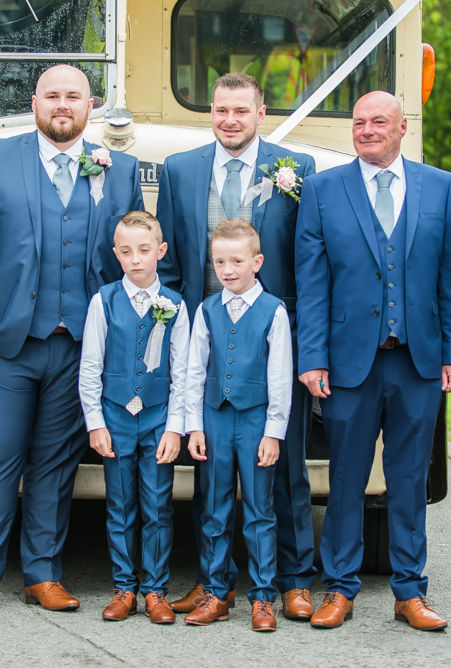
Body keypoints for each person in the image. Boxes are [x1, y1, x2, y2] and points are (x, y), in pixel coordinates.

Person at [0, 65, 143, 613]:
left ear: (90, 106)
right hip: (2, 343)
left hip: (79, 346)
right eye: (52, 95)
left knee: (55, 463)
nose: (62, 105)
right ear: (34, 102)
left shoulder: (119, 170)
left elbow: (132, 256)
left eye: (73, 97)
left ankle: (42, 575)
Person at [295, 91, 451, 630]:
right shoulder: (323, 190)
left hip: (417, 360)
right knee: (345, 479)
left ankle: (409, 591)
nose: (367, 130)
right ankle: (340, 589)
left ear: (401, 128)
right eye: (359, 122)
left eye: (378, 122)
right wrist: (313, 357)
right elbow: (312, 282)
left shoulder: (438, 186)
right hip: (348, 363)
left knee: (409, 478)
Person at [157, 72, 318, 620]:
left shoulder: (294, 170)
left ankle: (292, 580)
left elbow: (306, 258)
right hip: (204, 335)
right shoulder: (180, 170)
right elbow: (174, 258)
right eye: (221, 109)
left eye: (241, 110)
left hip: (272, 335)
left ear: (261, 112)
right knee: (212, 472)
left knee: (286, 468)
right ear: (211, 112)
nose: (230, 119)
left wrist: (303, 339)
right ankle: (212, 583)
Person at [78, 211, 190, 625]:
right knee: (120, 505)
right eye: (126, 252)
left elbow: (183, 371)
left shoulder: (175, 304)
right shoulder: (103, 301)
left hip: (159, 417)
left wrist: (176, 427)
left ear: (159, 251)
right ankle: (124, 587)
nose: (135, 259)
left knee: (158, 505)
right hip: (116, 416)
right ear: (116, 254)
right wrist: (95, 422)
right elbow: (90, 366)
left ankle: (156, 589)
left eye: (144, 250)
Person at [183, 219, 292, 632]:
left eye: (236, 261)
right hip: (214, 417)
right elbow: (195, 370)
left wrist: (273, 432)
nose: (227, 270)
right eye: (219, 262)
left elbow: (280, 375)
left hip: (256, 420)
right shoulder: (207, 309)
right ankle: (215, 591)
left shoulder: (273, 310)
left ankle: (263, 597)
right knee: (214, 506)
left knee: (260, 510)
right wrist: (194, 426)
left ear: (257, 262)